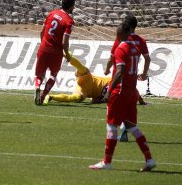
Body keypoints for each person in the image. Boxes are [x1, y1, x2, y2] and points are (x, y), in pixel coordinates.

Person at [89, 16, 156, 172]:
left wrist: (109, 90)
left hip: (119, 92)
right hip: (132, 91)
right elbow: (144, 60)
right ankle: (149, 159)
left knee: (111, 126)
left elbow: (119, 72)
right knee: (132, 126)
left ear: (121, 34)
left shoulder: (121, 48)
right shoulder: (135, 47)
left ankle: (107, 162)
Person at [105, 12, 151, 142]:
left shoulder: (123, 39)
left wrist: (107, 68)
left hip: (119, 81)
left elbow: (112, 57)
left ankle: (109, 149)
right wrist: (144, 73)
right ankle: (146, 155)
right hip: (132, 81)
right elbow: (147, 58)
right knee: (128, 107)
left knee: (113, 113)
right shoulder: (141, 40)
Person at [34, 0, 76, 106]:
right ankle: (43, 96)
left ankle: (37, 86)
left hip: (43, 48)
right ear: (72, 6)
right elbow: (64, 41)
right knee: (53, 75)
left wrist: (44, 44)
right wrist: (67, 53)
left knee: (39, 75)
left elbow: (41, 32)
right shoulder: (69, 21)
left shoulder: (51, 13)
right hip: (56, 52)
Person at [43, 52, 111, 105]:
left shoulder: (115, 93)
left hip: (85, 89)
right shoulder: (116, 81)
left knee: (75, 97)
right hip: (89, 80)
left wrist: (97, 100)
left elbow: (97, 98)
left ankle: (50, 97)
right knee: (82, 69)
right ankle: (67, 56)